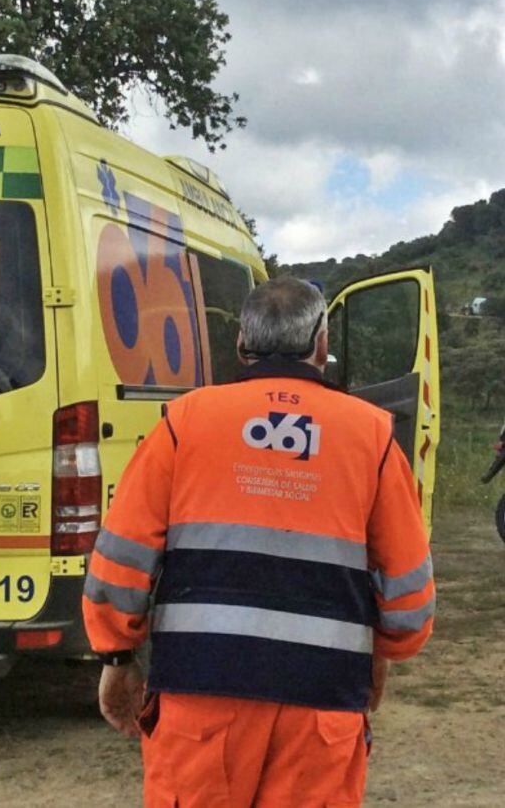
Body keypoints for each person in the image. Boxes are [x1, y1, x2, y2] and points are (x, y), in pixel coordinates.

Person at [83, 277, 435, 807]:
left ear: (241, 345)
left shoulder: (185, 421)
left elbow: (122, 555)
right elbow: (407, 593)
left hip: (199, 694)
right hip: (323, 704)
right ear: (321, 344)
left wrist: (115, 655)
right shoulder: (373, 435)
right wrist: (381, 653)